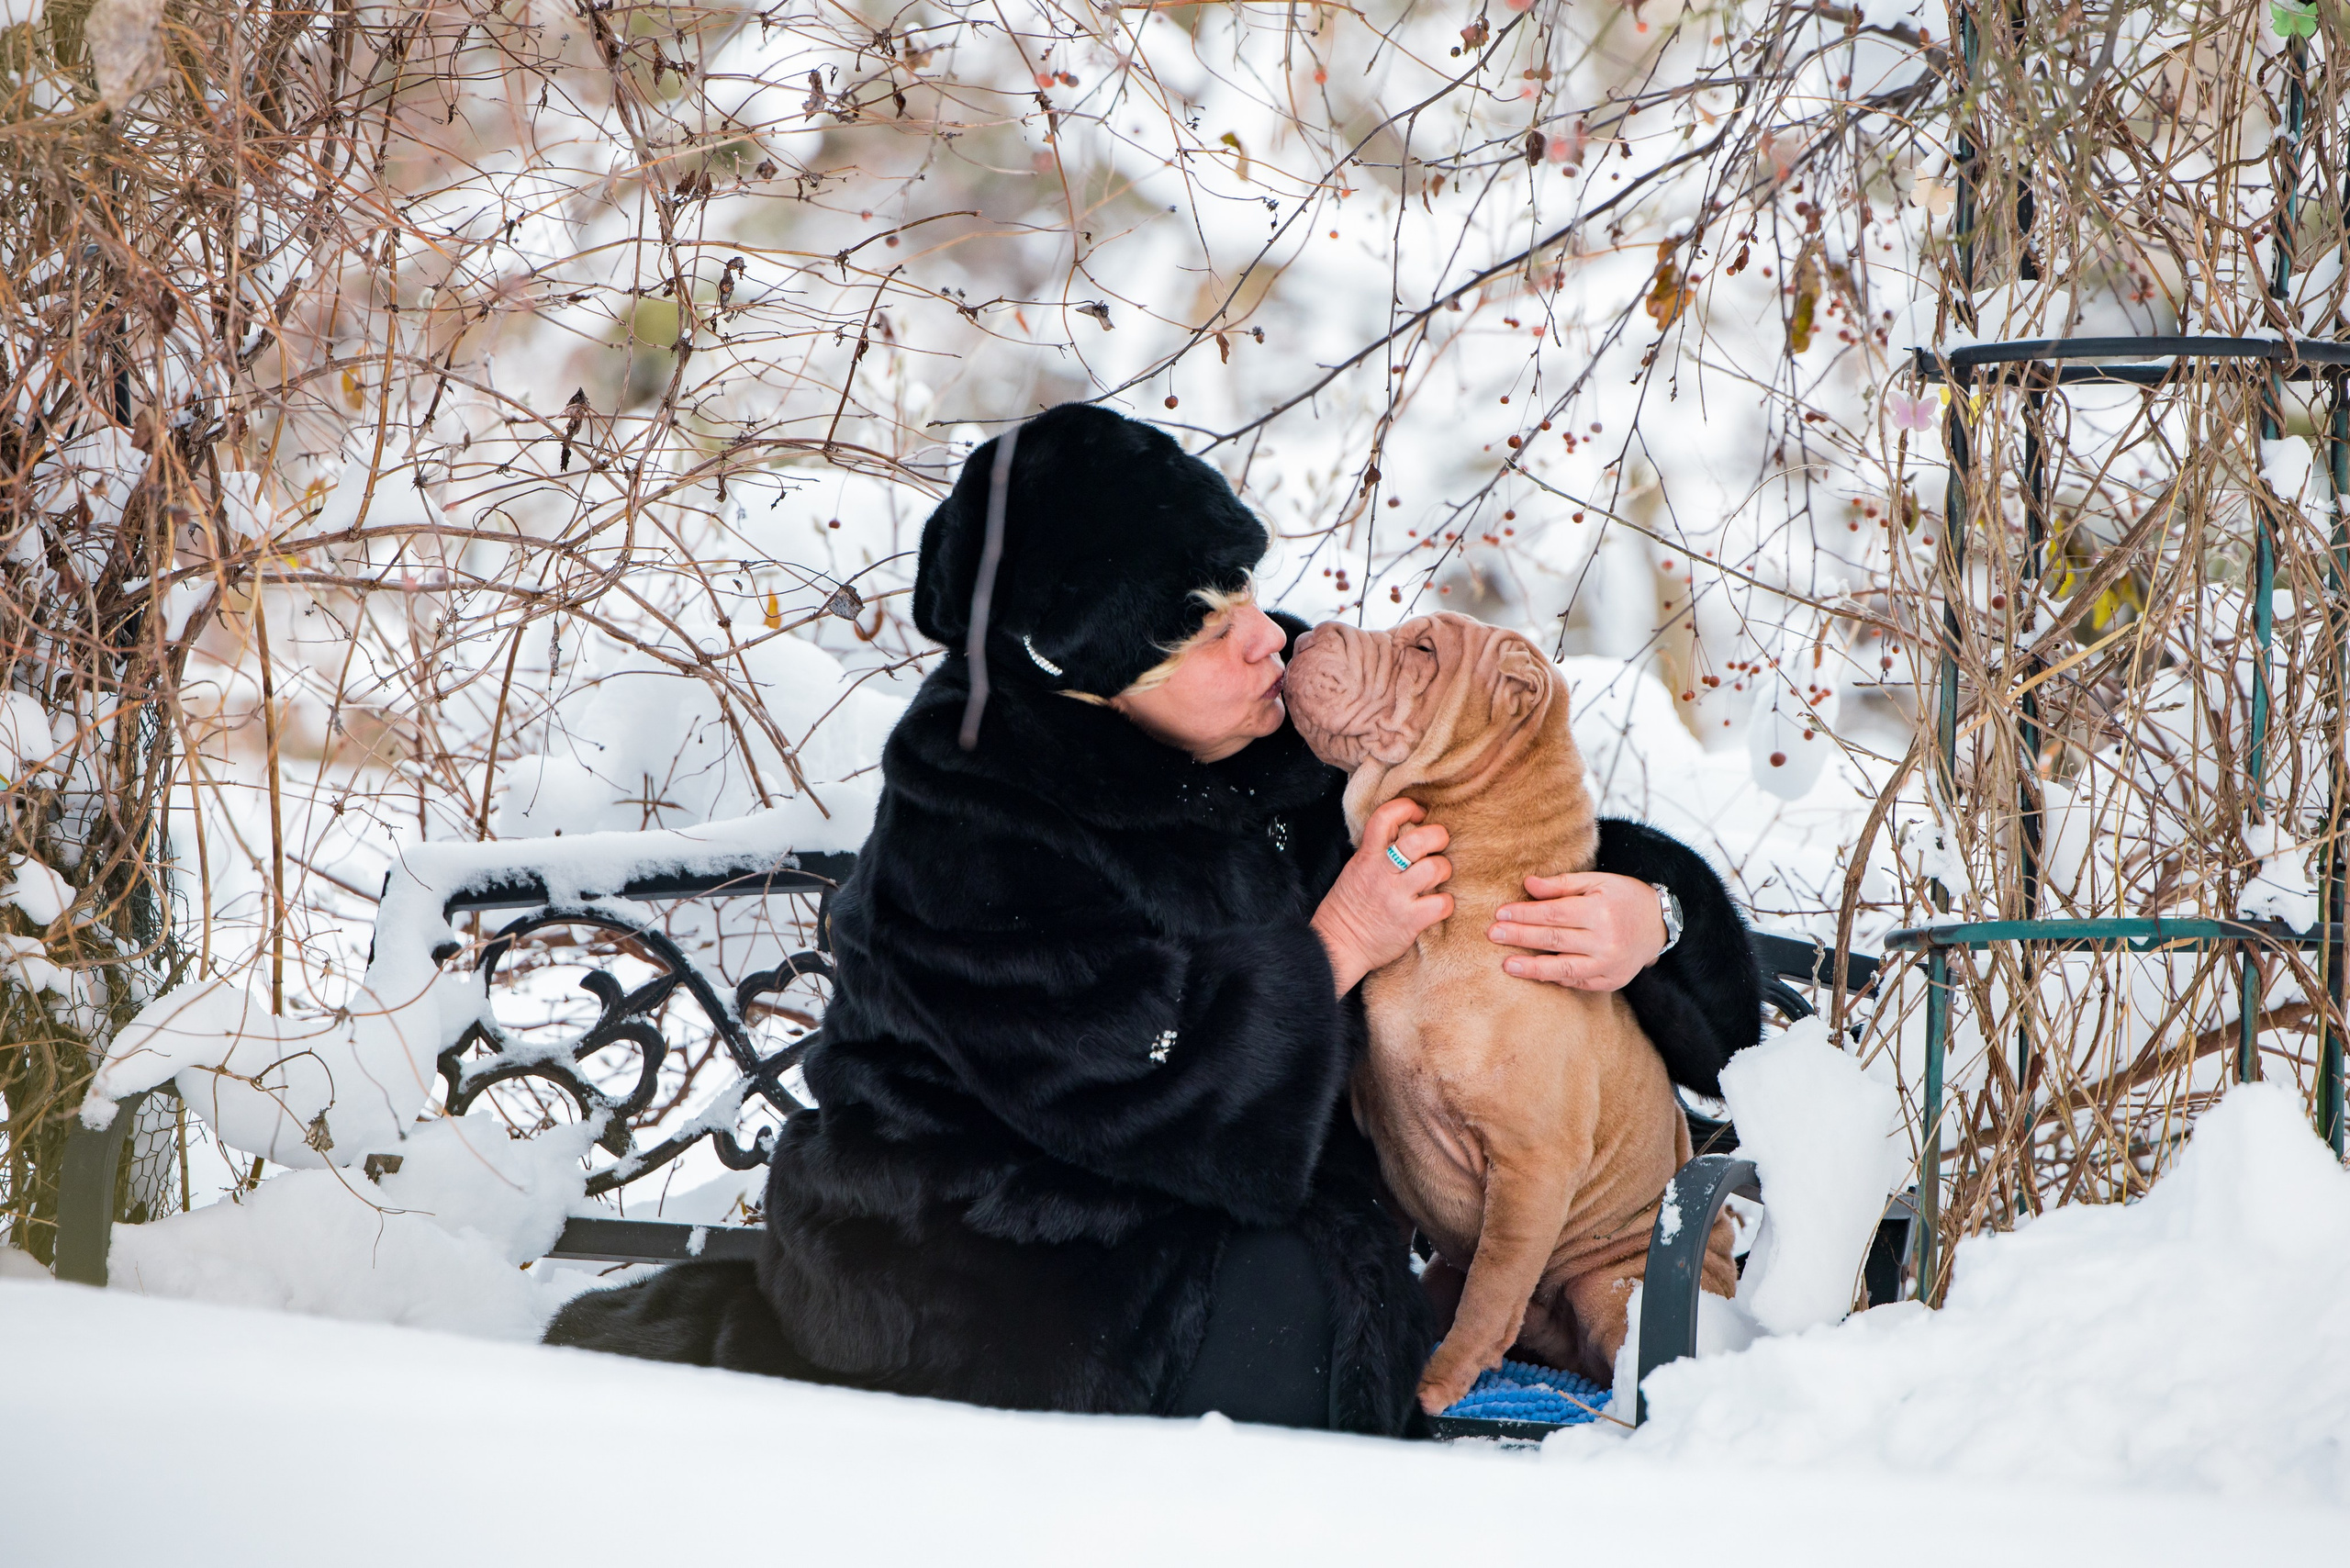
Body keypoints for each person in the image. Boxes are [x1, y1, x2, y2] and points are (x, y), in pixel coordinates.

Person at [544, 404, 1761, 1434]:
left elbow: (1513, 829)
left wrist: (1649, 918)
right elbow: (1127, 1087)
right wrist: (1334, 945)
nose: (1259, 637)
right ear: (1081, 673)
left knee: (1304, 1300)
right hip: (994, 1268)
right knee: (1278, 1305)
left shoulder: (1258, 723)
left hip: (1251, 1246)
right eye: (1199, 624)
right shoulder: (971, 824)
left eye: (1240, 588)